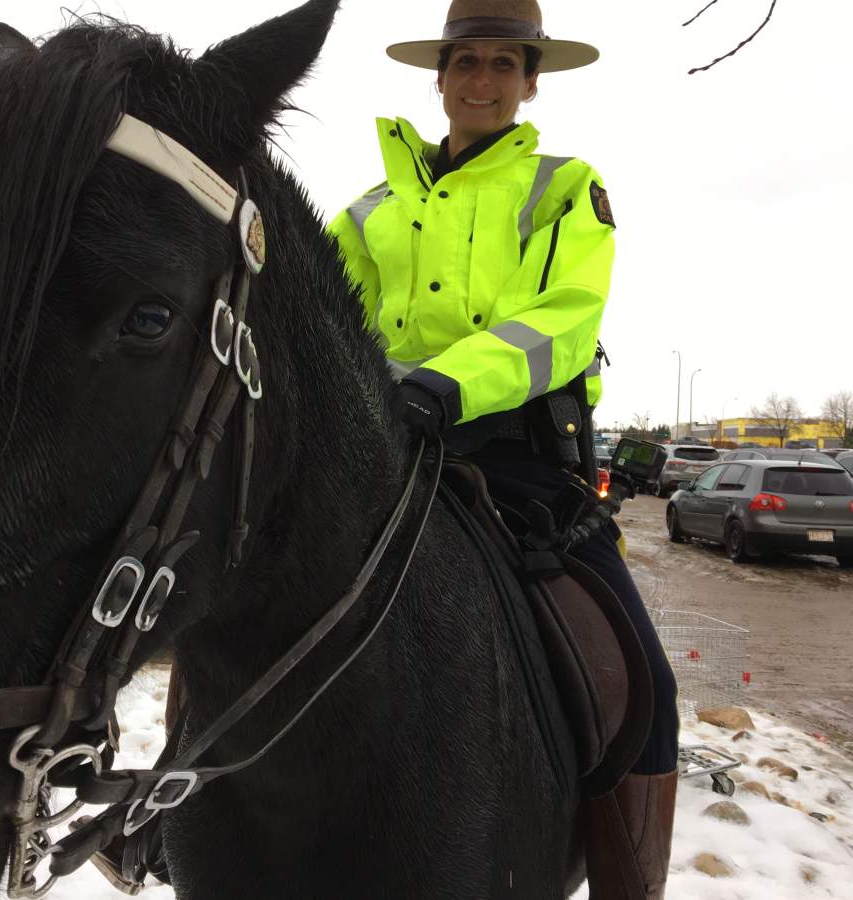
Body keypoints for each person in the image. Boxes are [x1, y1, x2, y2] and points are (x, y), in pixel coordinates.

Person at [328, 1, 679, 896]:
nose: (482, 81)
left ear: (531, 82)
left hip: (516, 457)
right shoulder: (364, 211)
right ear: (438, 77)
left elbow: (563, 320)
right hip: (384, 442)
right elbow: (325, 321)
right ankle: (167, 811)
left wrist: (447, 384)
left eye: (503, 64)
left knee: (647, 682)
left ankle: (628, 881)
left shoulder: (567, 187)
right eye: (467, 62)